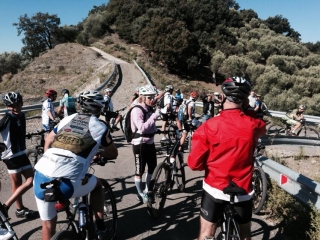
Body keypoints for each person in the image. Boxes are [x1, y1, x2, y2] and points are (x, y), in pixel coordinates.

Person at [188, 77, 266, 240]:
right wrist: (249, 110)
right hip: (242, 190)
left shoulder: (209, 126)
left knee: (206, 234)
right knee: (245, 235)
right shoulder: (254, 125)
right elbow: (261, 127)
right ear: (245, 101)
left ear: (222, 98)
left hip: (215, 188)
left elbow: (194, 165)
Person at [33, 90, 118, 240]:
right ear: (99, 109)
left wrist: (49, 156)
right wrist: (100, 154)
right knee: (97, 185)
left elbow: (48, 140)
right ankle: (100, 227)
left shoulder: (69, 118)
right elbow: (113, 153)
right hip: (68, 181)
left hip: (41, 175)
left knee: (46, 224)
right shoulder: (100, 126)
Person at [0, 92, 39, 219]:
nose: (16, 107)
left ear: (21, 103)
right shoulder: (6, 118)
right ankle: (8, 207)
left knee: (31, 179)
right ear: (8, 106)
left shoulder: (22, 115)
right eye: (12, 105)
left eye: (18, 104)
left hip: (21, 152)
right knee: (22, 182)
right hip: (11, 155)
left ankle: (19, 209)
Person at [130, 85, 160, 203]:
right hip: (140, 143)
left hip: (150, 141)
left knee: (152, 167)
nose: (153, 99)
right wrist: (155, 116)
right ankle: (140, 193)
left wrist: (155, 130)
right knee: (140, 170)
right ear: (142, 97)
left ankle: (148, 190)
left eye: (153, 97)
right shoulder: (137, 109)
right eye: (150, 97)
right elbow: (141, 128)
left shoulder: (149, 107)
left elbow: (150, 125)